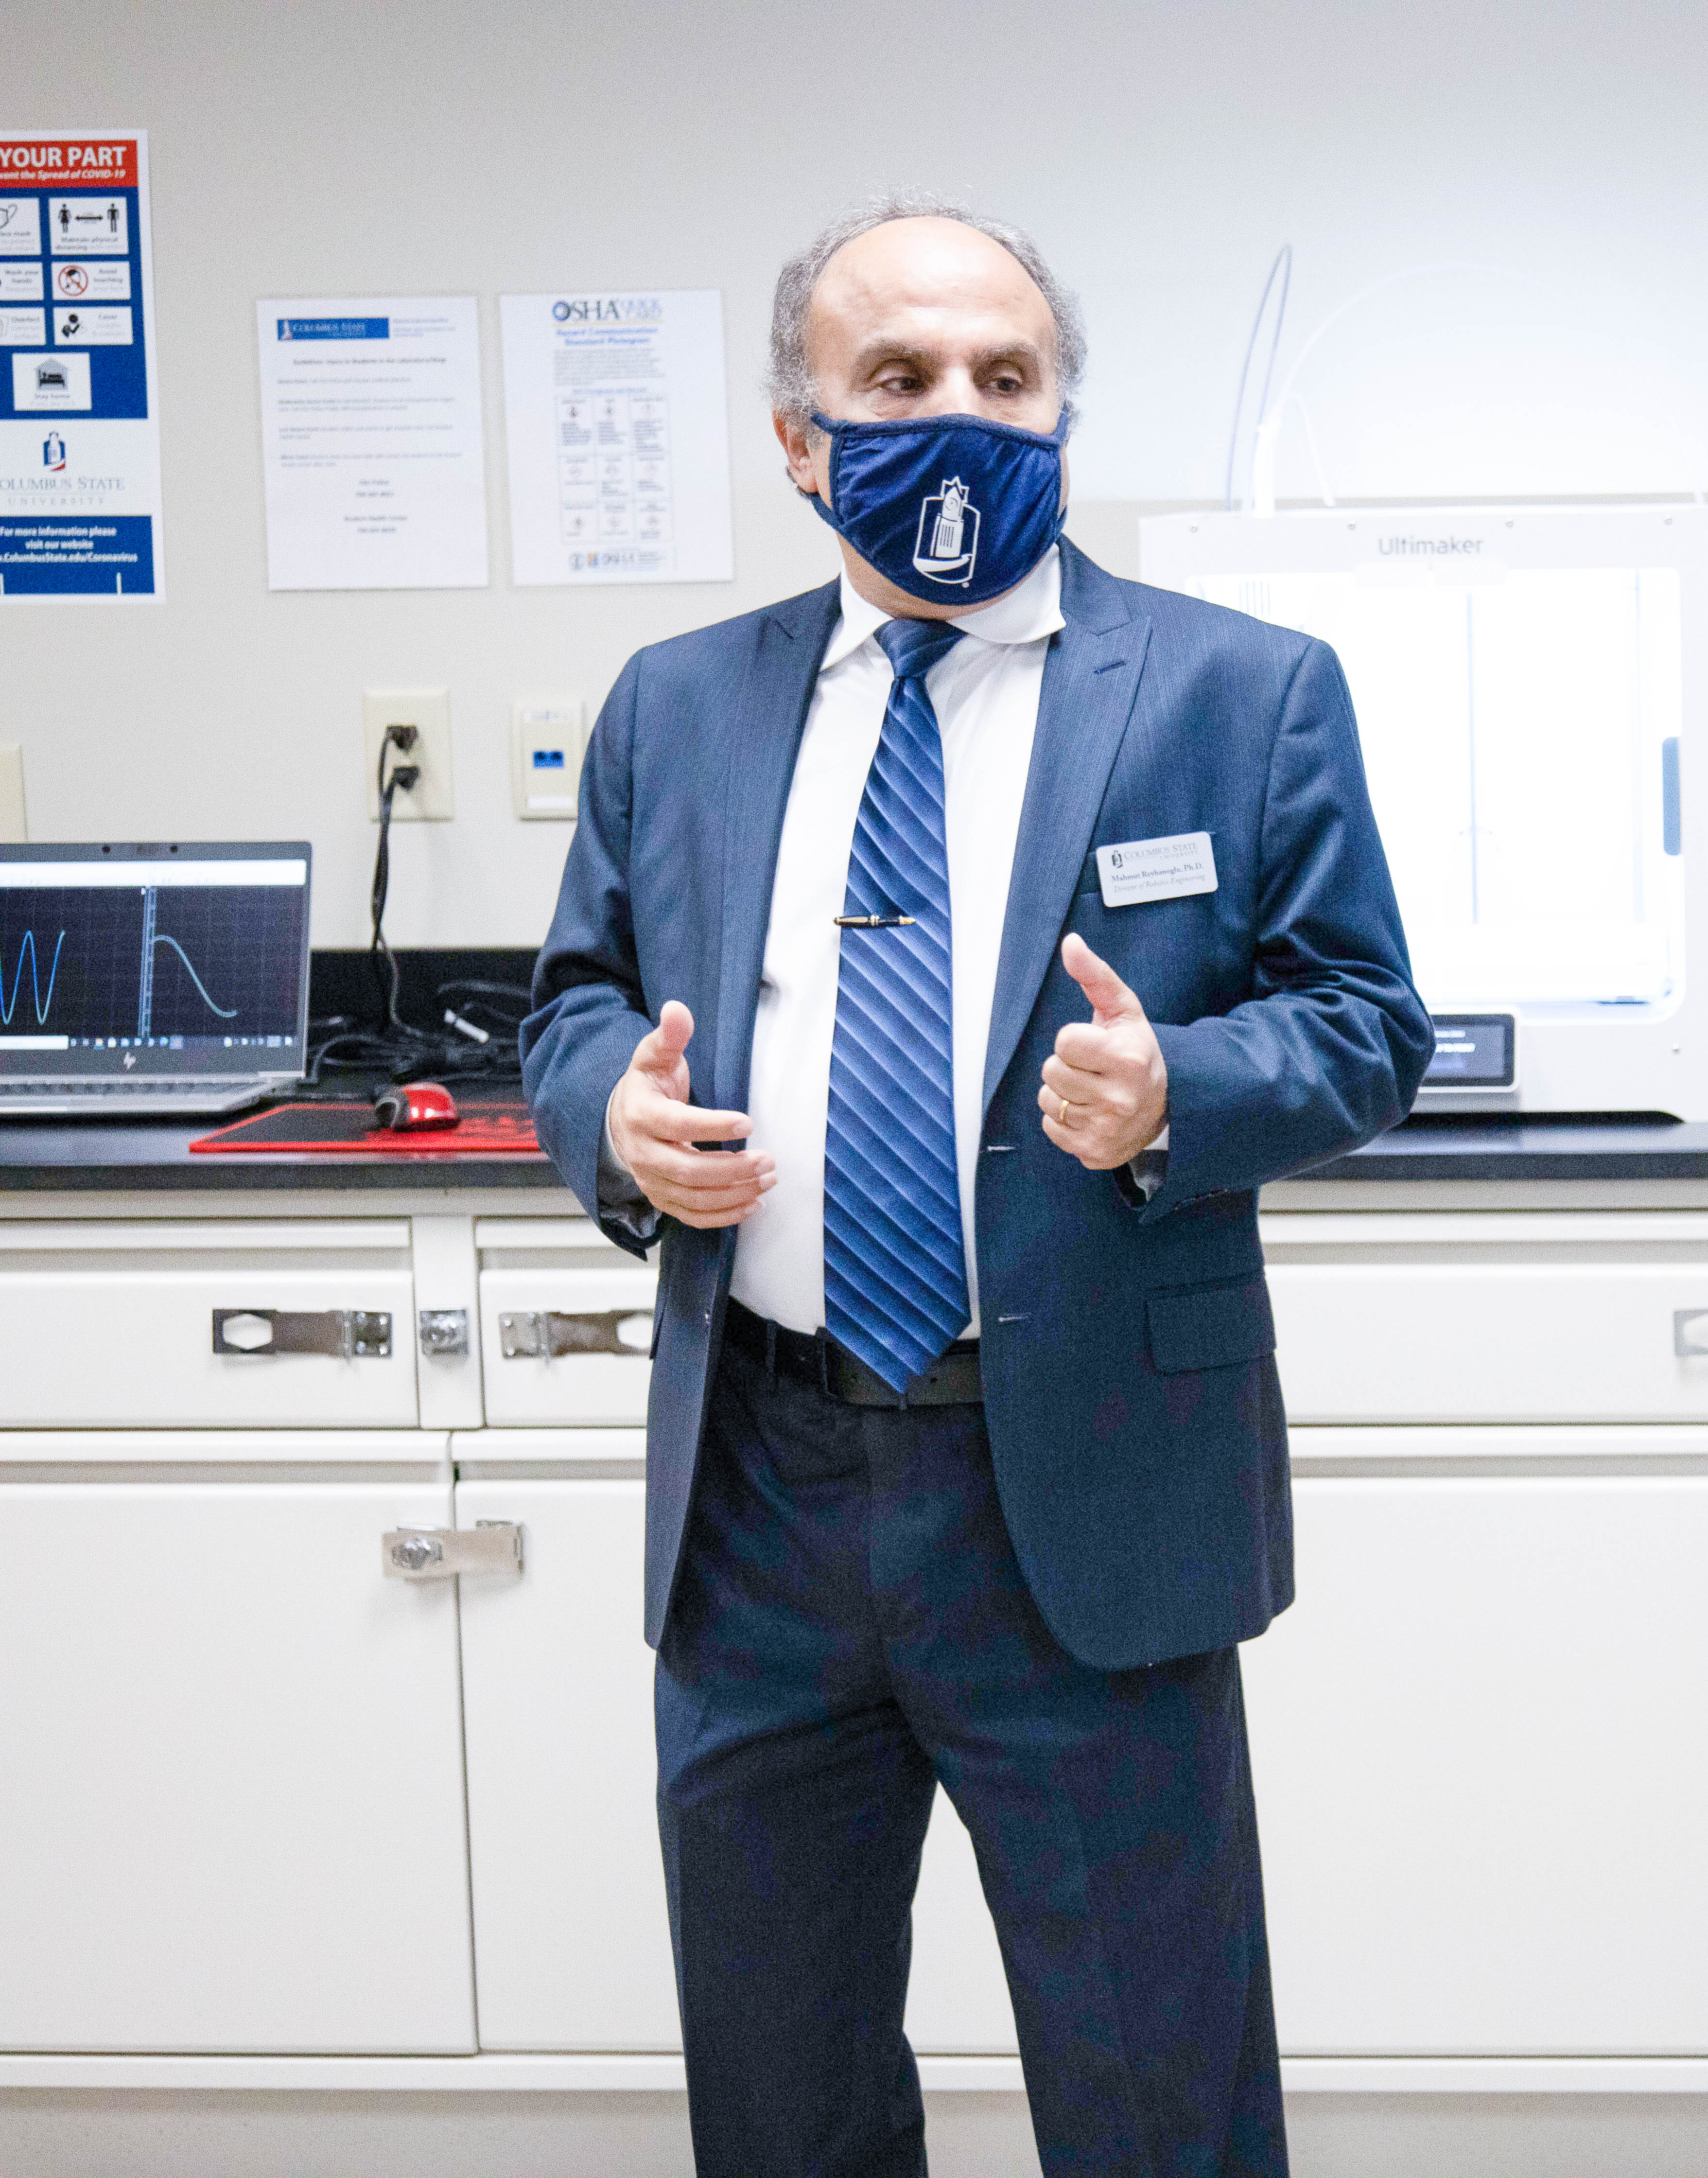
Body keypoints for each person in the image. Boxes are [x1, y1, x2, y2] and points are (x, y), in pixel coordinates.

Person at [523, 192, 1429, 2178]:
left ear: (1062, 419)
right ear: (800, 436)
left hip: (1076, 1494)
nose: (962, 415)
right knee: (784, 2093)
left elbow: (1369, 1023)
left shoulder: (1235, 691)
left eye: (1007, 381)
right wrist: (614, 1121)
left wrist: (1180, 1086)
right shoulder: (677, 705)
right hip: (760, 1501)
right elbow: (575, 1002)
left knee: (1156, 2092)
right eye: (902, 378)